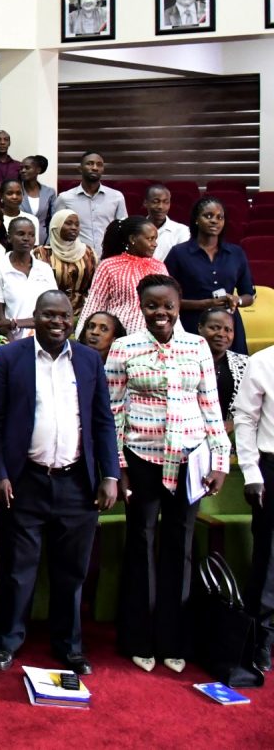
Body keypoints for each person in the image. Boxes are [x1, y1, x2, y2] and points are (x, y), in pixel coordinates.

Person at [0, 290, 119, 675]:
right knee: (17, 569)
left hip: (78, 483)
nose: (57, 323)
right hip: (25, 481)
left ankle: (69, 645)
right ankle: (7, 641)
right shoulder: (9, 358)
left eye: (64, 316)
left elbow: (102, 421)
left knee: (72, 571)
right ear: (34, 317)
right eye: (48, 316)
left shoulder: (90, 360)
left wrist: (109, 474)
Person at [106, 274, 231, 672]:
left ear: (179, 307)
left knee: (181, 544)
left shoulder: (197, 346)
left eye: (168, 306)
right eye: (152, 306)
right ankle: (139, 639)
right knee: (141, 543)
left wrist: (220, 461)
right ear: (140, 308)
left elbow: (211, 406)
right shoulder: (124, 348)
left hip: (190, 457)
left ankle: (174, 640)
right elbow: (112, 411)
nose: (160, 313)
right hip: (141, 458)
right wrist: (119, 467)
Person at [166, 195, 255, 353]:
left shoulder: (236, 253)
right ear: (196, 220)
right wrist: (205, 304)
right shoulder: (178, 253)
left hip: (228, 324)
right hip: (192, 324)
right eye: (208, 216)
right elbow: (167, 299)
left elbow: (248, 295)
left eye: (219, 217)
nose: (214, 221)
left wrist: (237, 300)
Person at [232, 343, 274, 670]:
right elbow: (245, 418)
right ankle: (261, 637)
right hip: (271, 467)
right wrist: (250, 471)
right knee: (269, 556)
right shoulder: (263, 362)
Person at [76, 215, 167, 337]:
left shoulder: (159, 267)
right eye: (150, 239)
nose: (154, 244)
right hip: (120, 337)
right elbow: (94, 305)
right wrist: (81, 336)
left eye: (155, 239)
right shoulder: (109, 266)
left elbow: (169, 304)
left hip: (156, 337)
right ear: (133, 239)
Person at [0, 216, 60, 340]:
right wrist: (14, 346)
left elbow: (53, 310)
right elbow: (0, 321)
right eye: (21, 234)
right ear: (9, 238)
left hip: (43, 339)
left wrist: (16, 322)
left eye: (31, 235)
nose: (26, 238)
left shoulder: (44, 269)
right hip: (11, 339)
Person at [50, 151, 127, 250]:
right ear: (80, 169)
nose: (95, 168)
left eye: (99, 165)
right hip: (77, 258)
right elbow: (56, 230)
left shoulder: (116, 197)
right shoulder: (65, 198)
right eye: (89, 163)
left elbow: (123, 229)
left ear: (103, 169)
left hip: (107, 257)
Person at [36, 209, 98, 316]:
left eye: (77, 224)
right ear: (56, 226)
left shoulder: (88, 253)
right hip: (51, 313)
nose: (74, 227)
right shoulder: (41, 254)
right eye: (68, 223)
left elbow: (95, 286)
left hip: (83, 313)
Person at [200, 307, 249, 423]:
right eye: (214, 328)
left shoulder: (245, 364)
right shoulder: (184, 360)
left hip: (232, 432)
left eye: (228, 330)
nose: (222, 334)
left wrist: (233, 423)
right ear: (200, 328)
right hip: (192, 431)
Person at [142, 184, 191, 262]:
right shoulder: (136, 229)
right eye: (155, 202)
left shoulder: (182, 231)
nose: (161, 206)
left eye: (166, 202)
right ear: (145, 203)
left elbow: (182, 261)